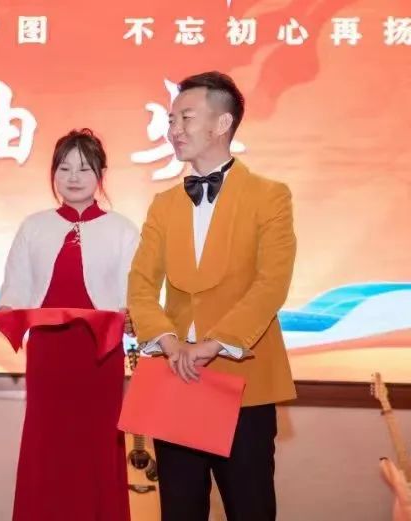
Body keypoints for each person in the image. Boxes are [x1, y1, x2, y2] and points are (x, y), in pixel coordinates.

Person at [127, 71, 297, 521]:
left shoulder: (270, 196)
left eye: (185, 117)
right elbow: (141, 284)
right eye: (171, 120)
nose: (173, 130)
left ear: (222, 124)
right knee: (179, 509)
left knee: (250, 508)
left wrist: (215, 343)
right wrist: (168, 341)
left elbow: (272, 283)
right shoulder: (164, 205)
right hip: (176, 378)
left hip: (244, 383)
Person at [0, 129, 139, 521]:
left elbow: (134, 297)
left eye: (84, 168)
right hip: (48, 355)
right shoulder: (34, 226)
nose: (73, 177)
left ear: (101, 174)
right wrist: (9, 310)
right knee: (46, 443)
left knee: (99, 444)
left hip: (100, 356)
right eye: (64, 168)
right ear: (53, 174)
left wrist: (132, 316)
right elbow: (16, 288)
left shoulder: (123, 229)